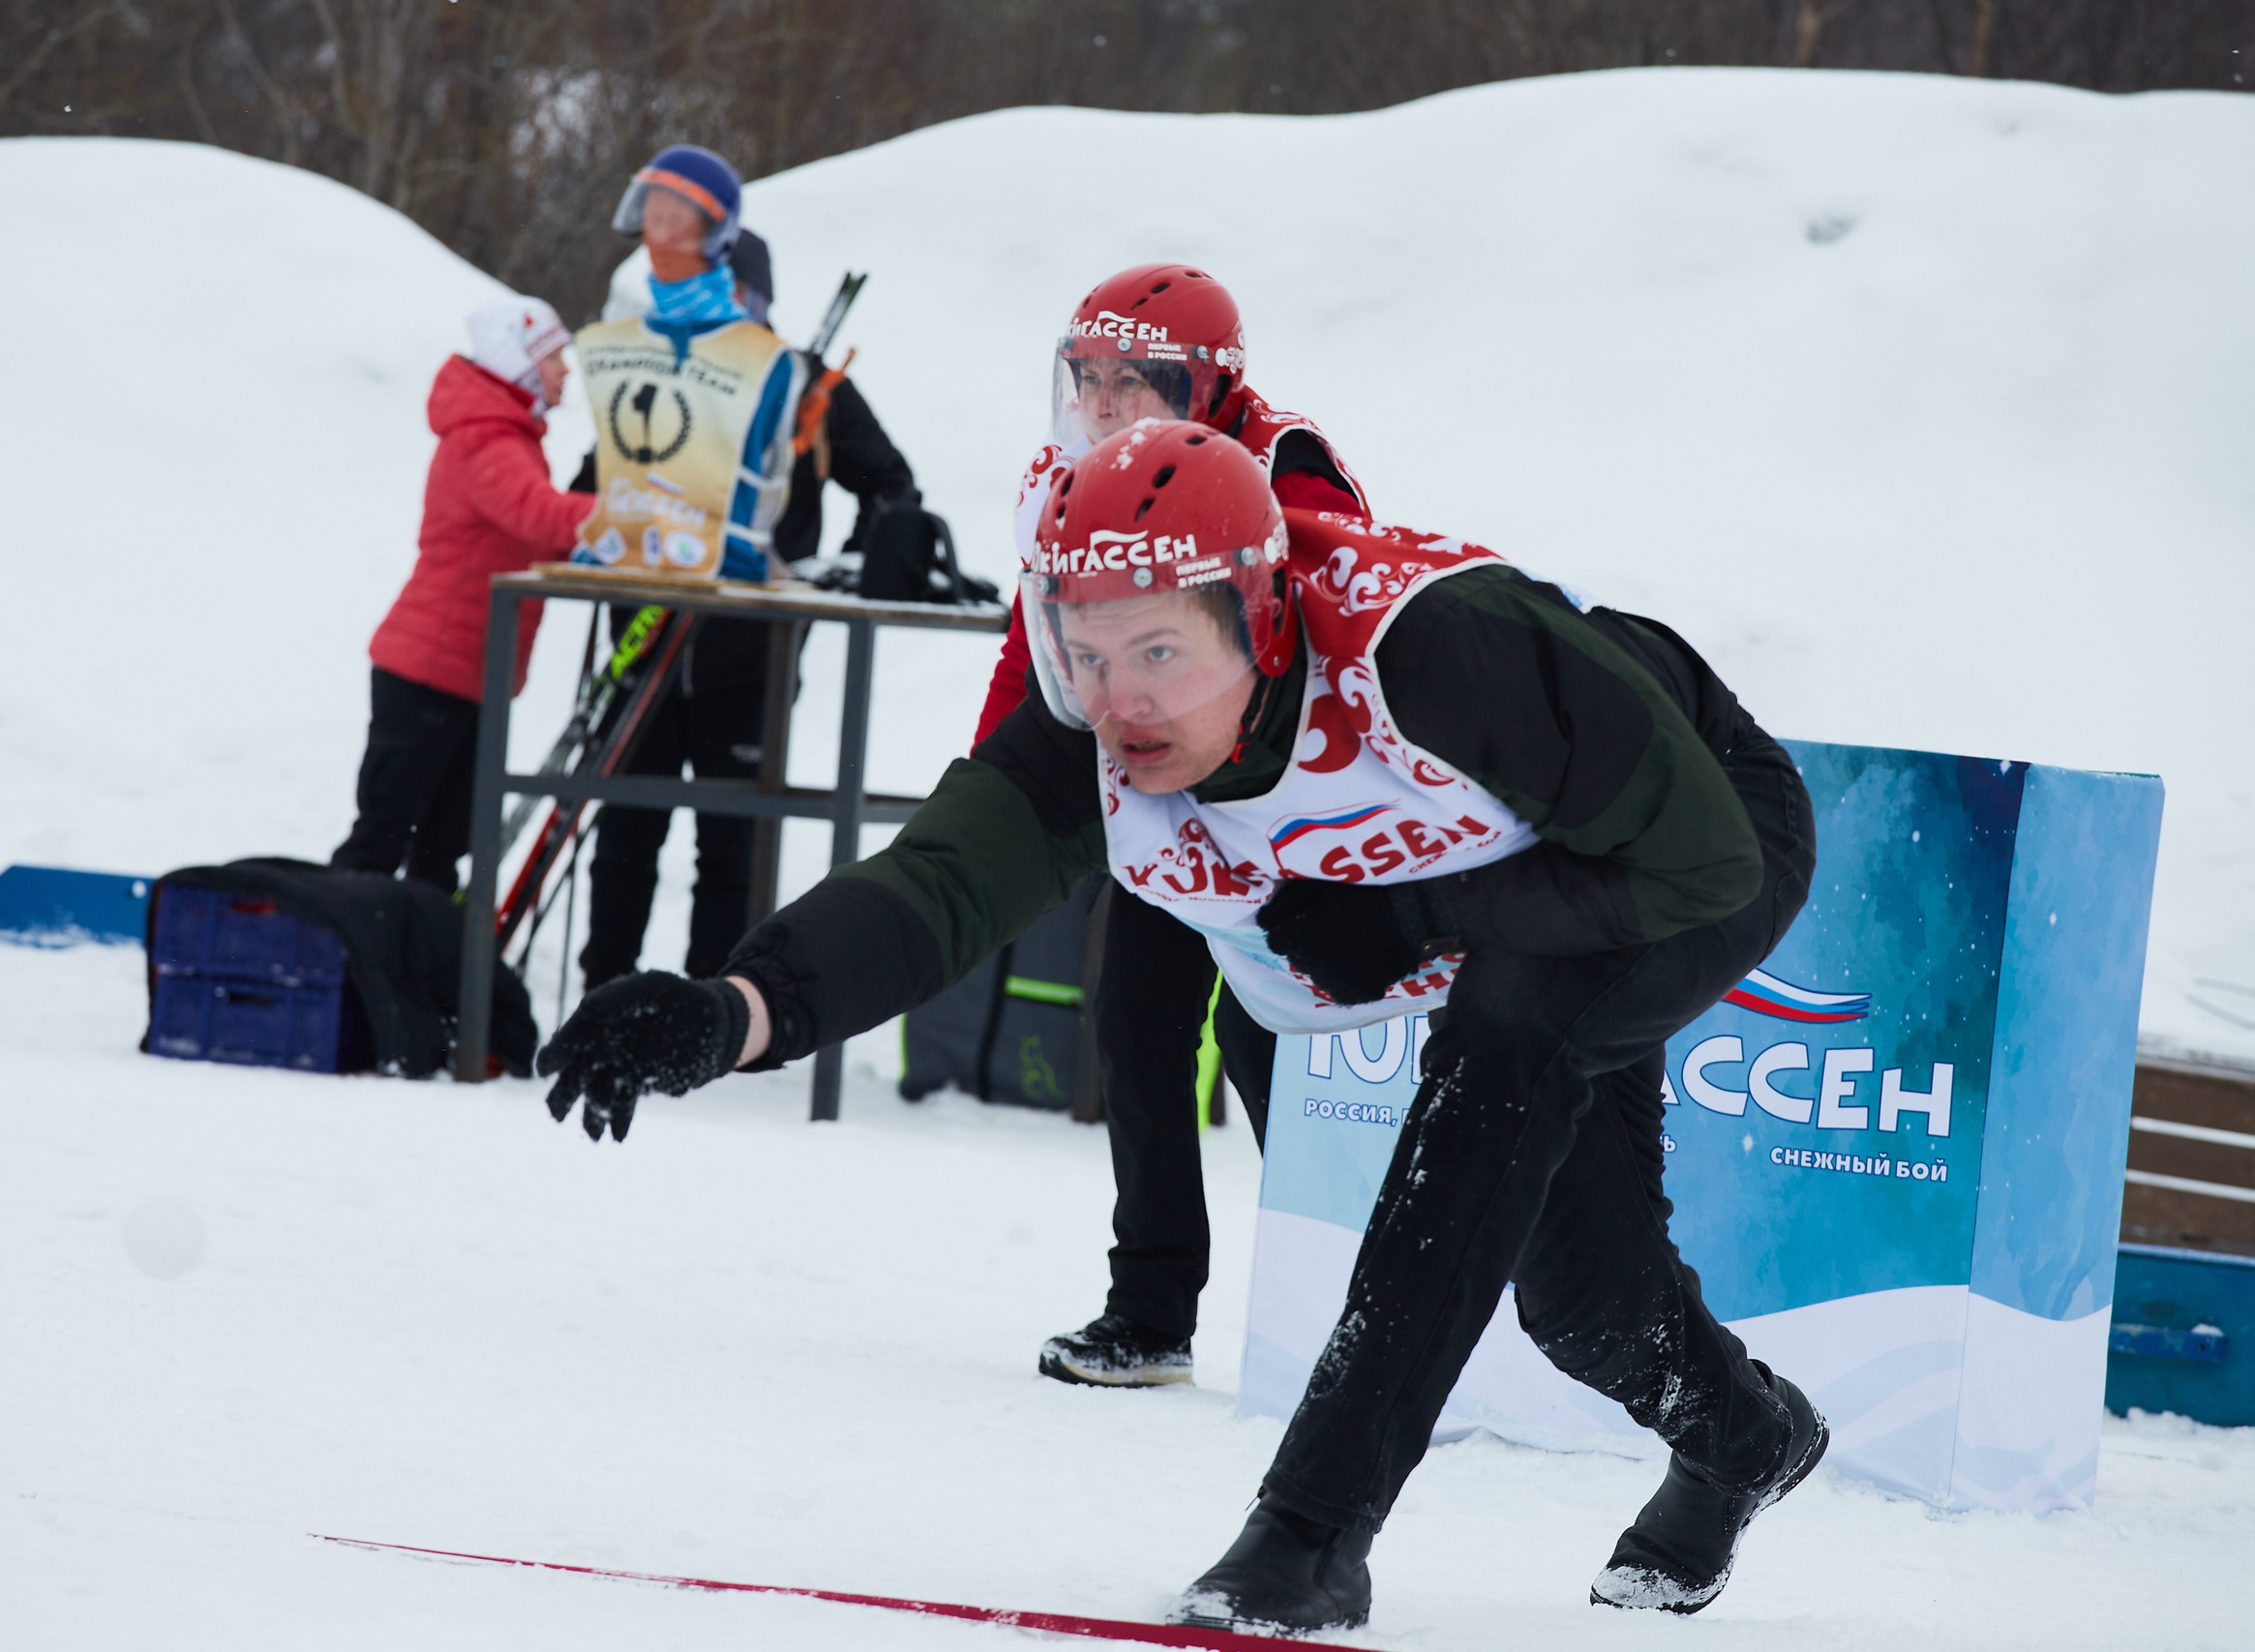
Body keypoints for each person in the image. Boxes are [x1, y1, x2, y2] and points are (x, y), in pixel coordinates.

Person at [533, 418, 1829, 1629]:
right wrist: (734, 1009)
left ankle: (1312, 1533)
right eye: (1084, 653)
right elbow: (937, 886)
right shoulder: (1097, 736)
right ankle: (1744, 1436)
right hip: (1524, 876)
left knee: (1508, 1031)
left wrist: (1423, 913)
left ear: (1260, 625)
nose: (1121, 700)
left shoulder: (1435, 649)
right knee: (1582, 1299)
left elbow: (1700, 863)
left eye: (1160, 652)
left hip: (1697, 830)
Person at [983, 265, 1370, 1392]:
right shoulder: (1073, 481)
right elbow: (1034, 644)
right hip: (1156, 803)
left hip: (1279, 822)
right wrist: (995, 790)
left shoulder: (1286, 466)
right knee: (1139, 1035)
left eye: (1132, 381)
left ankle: (1360, 1319)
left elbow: (1339, 638)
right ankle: (1149, 1314)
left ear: (1205, 388)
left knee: (1273, 1063)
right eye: (1086, 380)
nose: (1102, 404)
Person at [567, 157, 920, 988]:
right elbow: (593, 486)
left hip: (753, 652)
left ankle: (715, 1007)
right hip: (643, 635)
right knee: (626, 827)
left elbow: (892, 485)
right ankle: (602, 991)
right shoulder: (664, 371)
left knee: (733, 837)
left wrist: (838, 566)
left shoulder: (803, 384)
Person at [330, 297, 594, 890]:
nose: (565, 371)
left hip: (466, 672)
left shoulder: (510, 438)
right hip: (429, 671)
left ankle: (416, 969)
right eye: (554, 358)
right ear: (520, 363)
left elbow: (533, 539)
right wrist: (626, 516)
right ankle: (339, 966)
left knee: (441, 845)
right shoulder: (487, 439)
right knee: (384, 838)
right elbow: (538, 515)